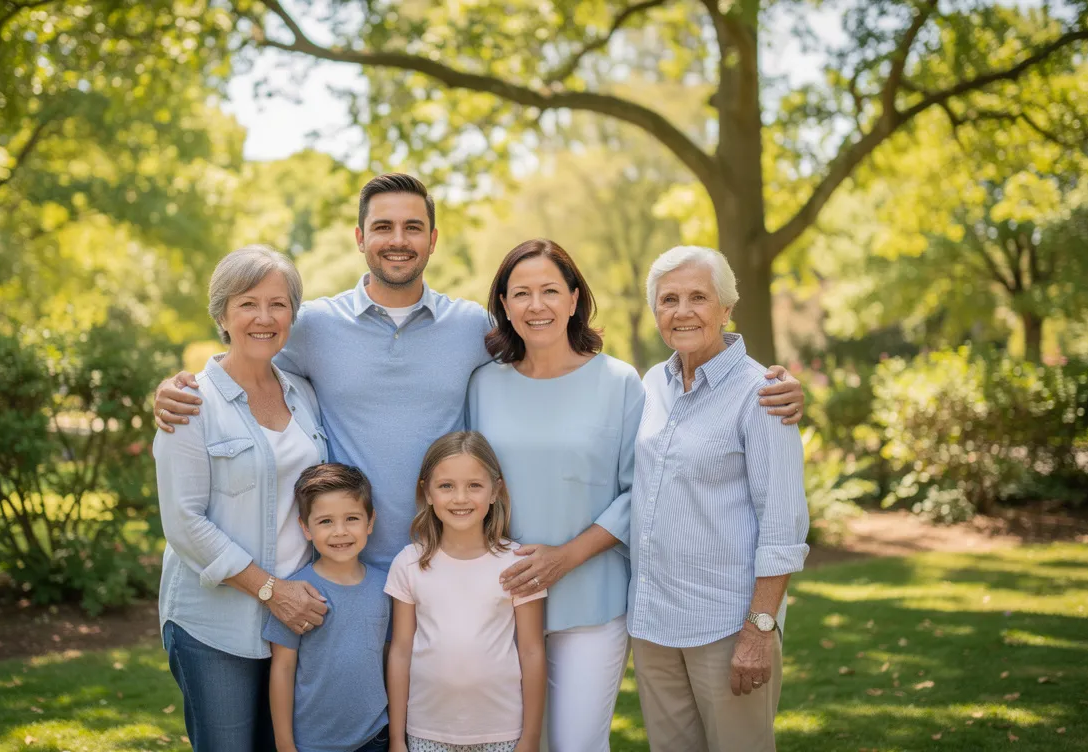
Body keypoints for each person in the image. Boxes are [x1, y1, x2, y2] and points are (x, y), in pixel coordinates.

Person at [151, 173, 805, 582]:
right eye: (383, 227)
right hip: (339, 561)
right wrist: (179, 387)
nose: (397, 239)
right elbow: (248, 357)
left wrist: (748, 376)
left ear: (433, 239)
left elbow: (552, 361)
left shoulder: (472, 330)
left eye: (413, 227)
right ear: (359, 237)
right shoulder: (313, 326)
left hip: (445, 560)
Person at [629, 246, 810, 752]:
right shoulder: (652, 386)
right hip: (655, 626)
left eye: (698, 297)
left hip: (727, 627)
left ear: (727, 307)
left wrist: (758, 631)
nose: (682, 311)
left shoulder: (762, 393)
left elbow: (783, 525)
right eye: (668, 299)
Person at [154, 245, 333, 752]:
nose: (264, 317)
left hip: (295, 621)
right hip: (217, 626)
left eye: (278, 304)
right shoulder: (191, 403)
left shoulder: (304, 393)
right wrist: (270, 590)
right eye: (248, 303)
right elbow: (185, 524)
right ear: (221, 315)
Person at [465, 239, 641, 752]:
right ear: (504, 305)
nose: (535, 305)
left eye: (549, 290)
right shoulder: (482, 385)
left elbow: (637, 493)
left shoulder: (618, 382)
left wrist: (564, 558)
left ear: (573, 299)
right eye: (521, 293)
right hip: (500, 600)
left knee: (577, 745)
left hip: (591, 598)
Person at [385, 432, 546, 752]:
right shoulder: (408, 563)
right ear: (427, 492)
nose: (460, 498)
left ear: (495, 491)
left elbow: (531, 651)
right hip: (426, 731)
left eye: (474, 485)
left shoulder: (517, 563)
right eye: (446, 486)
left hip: (501, 733)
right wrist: (396, 739)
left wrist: (530, 738)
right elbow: (400, 651)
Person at [265, 463, 391, 752]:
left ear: (370, 522)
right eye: (325, 522)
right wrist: (285, 744)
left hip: (374, 736)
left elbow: (388, 656)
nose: (340, 531)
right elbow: (282, 668)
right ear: (305, 528)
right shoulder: (296, 592)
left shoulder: (386, 587)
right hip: (313, 742)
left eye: (352, 518)